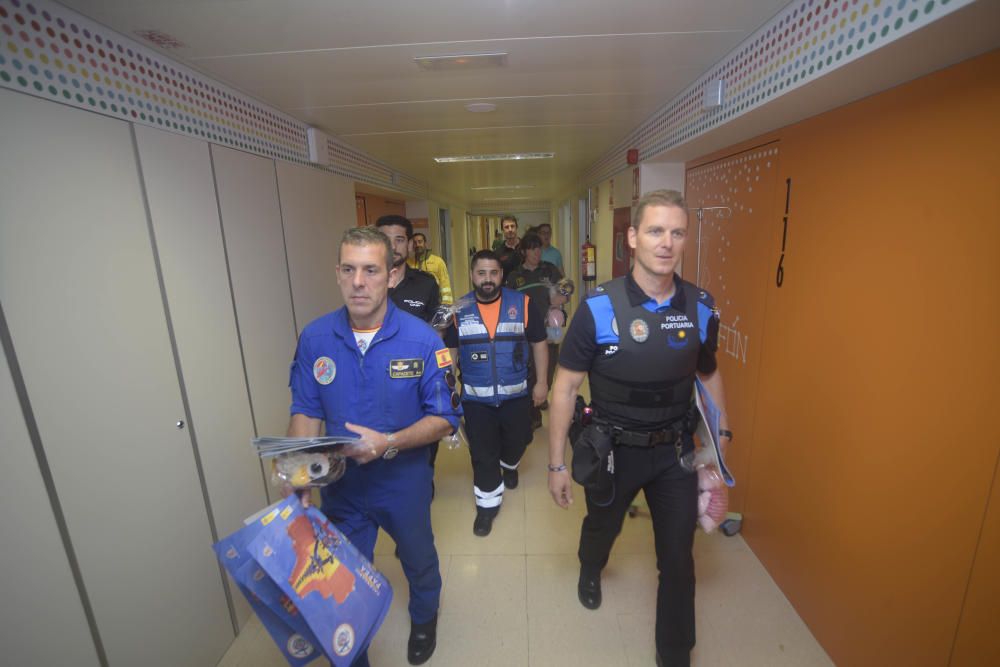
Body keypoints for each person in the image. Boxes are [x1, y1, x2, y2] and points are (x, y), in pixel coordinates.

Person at [546, 190, 732, 667]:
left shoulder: (700, 306)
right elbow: (565, 388)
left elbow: (708, 375)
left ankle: (674, 654)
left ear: (685, 239)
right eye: (654, 231)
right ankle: (591, 568)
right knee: (601, 526)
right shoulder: (597, 308)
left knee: (678, 560)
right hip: (613, 450)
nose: (666, 243)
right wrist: (556, 464)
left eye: (676, 232)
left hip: (674, 453)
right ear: (632, 238)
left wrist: (718, 447)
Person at [286, 226, 462, 666]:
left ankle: (425, 618)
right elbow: (305, 410)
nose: (358, 281)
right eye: (349, 269)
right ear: (338, 274)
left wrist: (388, 442)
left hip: (403, 482)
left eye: (370, 270)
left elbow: (445, 418)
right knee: (341, 577)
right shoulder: (316, 338)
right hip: (342, 486)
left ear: (391, 275)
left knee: (418, 559)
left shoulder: (422, 340)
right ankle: (354, 650)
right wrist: (298, 479)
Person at [444, 250, 548, 536]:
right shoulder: (459, 310)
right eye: (481, 273)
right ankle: (487, 507)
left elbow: (539, 343)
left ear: (502, 275)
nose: (487, 279)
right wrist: (447, 387)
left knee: (519, 439)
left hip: (516, 395)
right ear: (472, 275)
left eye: (493, 273)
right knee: (482, 453)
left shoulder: (523, 304)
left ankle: (510, 463)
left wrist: (542, 383)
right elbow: (451, 353)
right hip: (476, 399)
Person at [505, 232, 567, 427]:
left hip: (549, 331)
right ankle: (533, 414)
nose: (537, 252)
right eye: (532, 248)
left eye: (539, 248)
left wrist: (562, 298)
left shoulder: (550, 270)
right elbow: (508, 303)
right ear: (524, 251)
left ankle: (541, 395)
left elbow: (566, 290)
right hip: (525, 332)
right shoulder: (515, 276)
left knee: (547, 372)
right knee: (529, 371)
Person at [376, 215, 441, 322]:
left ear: (410, 244)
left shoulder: (427, 283)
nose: (392, 246)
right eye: (385, 240)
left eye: (399, 240)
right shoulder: (366, 283)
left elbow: (437, 329)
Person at [409, 231, 454, 305]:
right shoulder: (408, 263)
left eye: (420, 242)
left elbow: (445, 283)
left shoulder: (437, 261)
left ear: (425, 243)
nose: (417, 245)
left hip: (434, 301)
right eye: (414, 242)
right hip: (416, 303)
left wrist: (447, 303)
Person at [494, 214, 522, 279]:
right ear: (502, 230)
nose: (510, 229)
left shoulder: (527, 247)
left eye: (512, 226)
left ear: (516, 227)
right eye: (506, 227)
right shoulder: (497, 253)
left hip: (525, 288)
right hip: (507, 288)